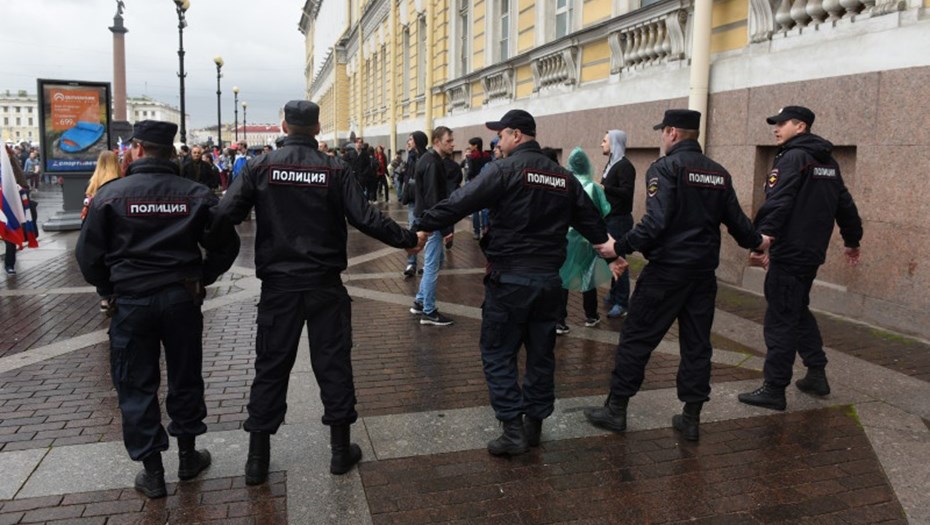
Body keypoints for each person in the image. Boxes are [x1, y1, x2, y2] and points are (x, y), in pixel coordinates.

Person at [213, 100, 422, 485]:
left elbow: (223, 214)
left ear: (283, 124)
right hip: (325, 285)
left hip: (279, 288)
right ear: (317, 128)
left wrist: (201, 261)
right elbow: (366, 216)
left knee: (270, 368)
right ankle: (340, 452)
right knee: (334, 365)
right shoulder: (334, 169)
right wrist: (406, 239)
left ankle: (257, 461)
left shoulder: (261, 167)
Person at [414, 109, 622, 455]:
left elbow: (459, 202)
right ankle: (534, 426)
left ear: (515, 135)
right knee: (541, 355)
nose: (498, 140)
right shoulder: (562, 177)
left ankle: (512, 429)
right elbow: (591, 222)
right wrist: (612, 255)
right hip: (547, 285)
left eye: (501, 135)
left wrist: (420, 227)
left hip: (509, 282)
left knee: (497, 353)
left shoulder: (503, 170)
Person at [75, 120, 240, 498]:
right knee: (185, 375)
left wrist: (108, 287)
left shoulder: (110, 195)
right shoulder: (196, 193)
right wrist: (204, 276)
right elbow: (225, 244)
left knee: (135, 383)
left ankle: (152, 472)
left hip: (131, 301)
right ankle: (186, 455)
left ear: (136, 148)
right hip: (181, 298)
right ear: (170, 151)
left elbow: (88, 256)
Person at [583, 109, 769, 442]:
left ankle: (616, 410)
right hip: (702, 277)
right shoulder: (718, 173)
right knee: (697, 346)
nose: (662, 138)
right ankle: (691, 417)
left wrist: (619, 247)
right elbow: (738, 222)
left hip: (667, 274)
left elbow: (655, 223)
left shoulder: (665, 168)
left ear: (671, 132)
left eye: (662, 133)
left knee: (637, 339)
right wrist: (758, 242)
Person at [738, 106, 863, 411]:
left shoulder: (793, 157)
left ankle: (774, 388)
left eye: (782, 123)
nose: (776, 128)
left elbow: (778, 201)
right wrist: (852, 239)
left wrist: (761, 241)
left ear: (801, 126)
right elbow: (844, 203)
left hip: (790, 250)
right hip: (810, 252)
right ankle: (816, 373)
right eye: (775, 123)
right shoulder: (828, 161)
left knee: (780, 316)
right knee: (796, 308)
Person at [556, 147, 613, 334]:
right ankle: (591, 314)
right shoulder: (593, 187)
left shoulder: (564, 183)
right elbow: (604, 210)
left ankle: (559, 320)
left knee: (563, 275)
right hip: (588, 239)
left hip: (567, 236)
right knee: (588, 275)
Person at [410, 126, 456, 326]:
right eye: (448, 140)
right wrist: (445, 229)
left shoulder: (429, 160)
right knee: (431, 266)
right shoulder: (432, 163)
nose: (452, 144)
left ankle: (420, 302)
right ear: (437, 141)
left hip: (429, 220)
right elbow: (434, 199)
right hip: (432, 222)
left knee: (432, 262)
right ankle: (428, 310)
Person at [600, 130, 636, 319]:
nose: (601, 144)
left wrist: (605, 188)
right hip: (611, 217)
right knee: (612, 258)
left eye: (605, 141)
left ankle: (622, 302)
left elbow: (626, 192)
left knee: (618, 257)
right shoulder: (612, 164)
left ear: (614, 143)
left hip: (619, 220)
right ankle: (615, 294)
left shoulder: (625, 166)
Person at [401, 132, 428, 278]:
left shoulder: (426, 158)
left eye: (411, 139)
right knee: (413, 230)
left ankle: (430, 263)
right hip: (413, 200)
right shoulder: (410, 157)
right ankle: (411, 264)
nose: (408, 141)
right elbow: (407, 177)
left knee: (429, 232)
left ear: (418, 141)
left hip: (424, 201)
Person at [464, 137, 492, 240]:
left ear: (475, 145)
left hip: (475, 184)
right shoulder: (487, 155)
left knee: (475, 210)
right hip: (485, 183)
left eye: (471, 145)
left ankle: (476, 232)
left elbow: (470, 172)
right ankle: (485, 227)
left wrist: (468, 178)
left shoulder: (471, 157)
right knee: (485, 209)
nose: (470, 147)